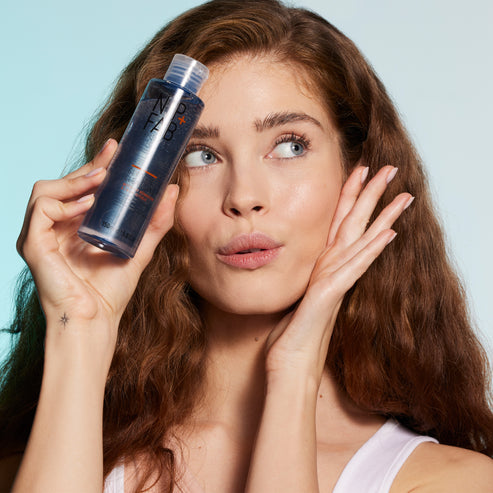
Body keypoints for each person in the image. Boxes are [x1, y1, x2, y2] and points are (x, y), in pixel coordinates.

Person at [1, 0, 492, 491]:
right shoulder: (40, 462)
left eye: (290, 145)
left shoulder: (447, 480)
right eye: (200, 154)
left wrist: (294, 370)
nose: (244, 197)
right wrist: (81, 330)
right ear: (141, 187)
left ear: (354, 169)